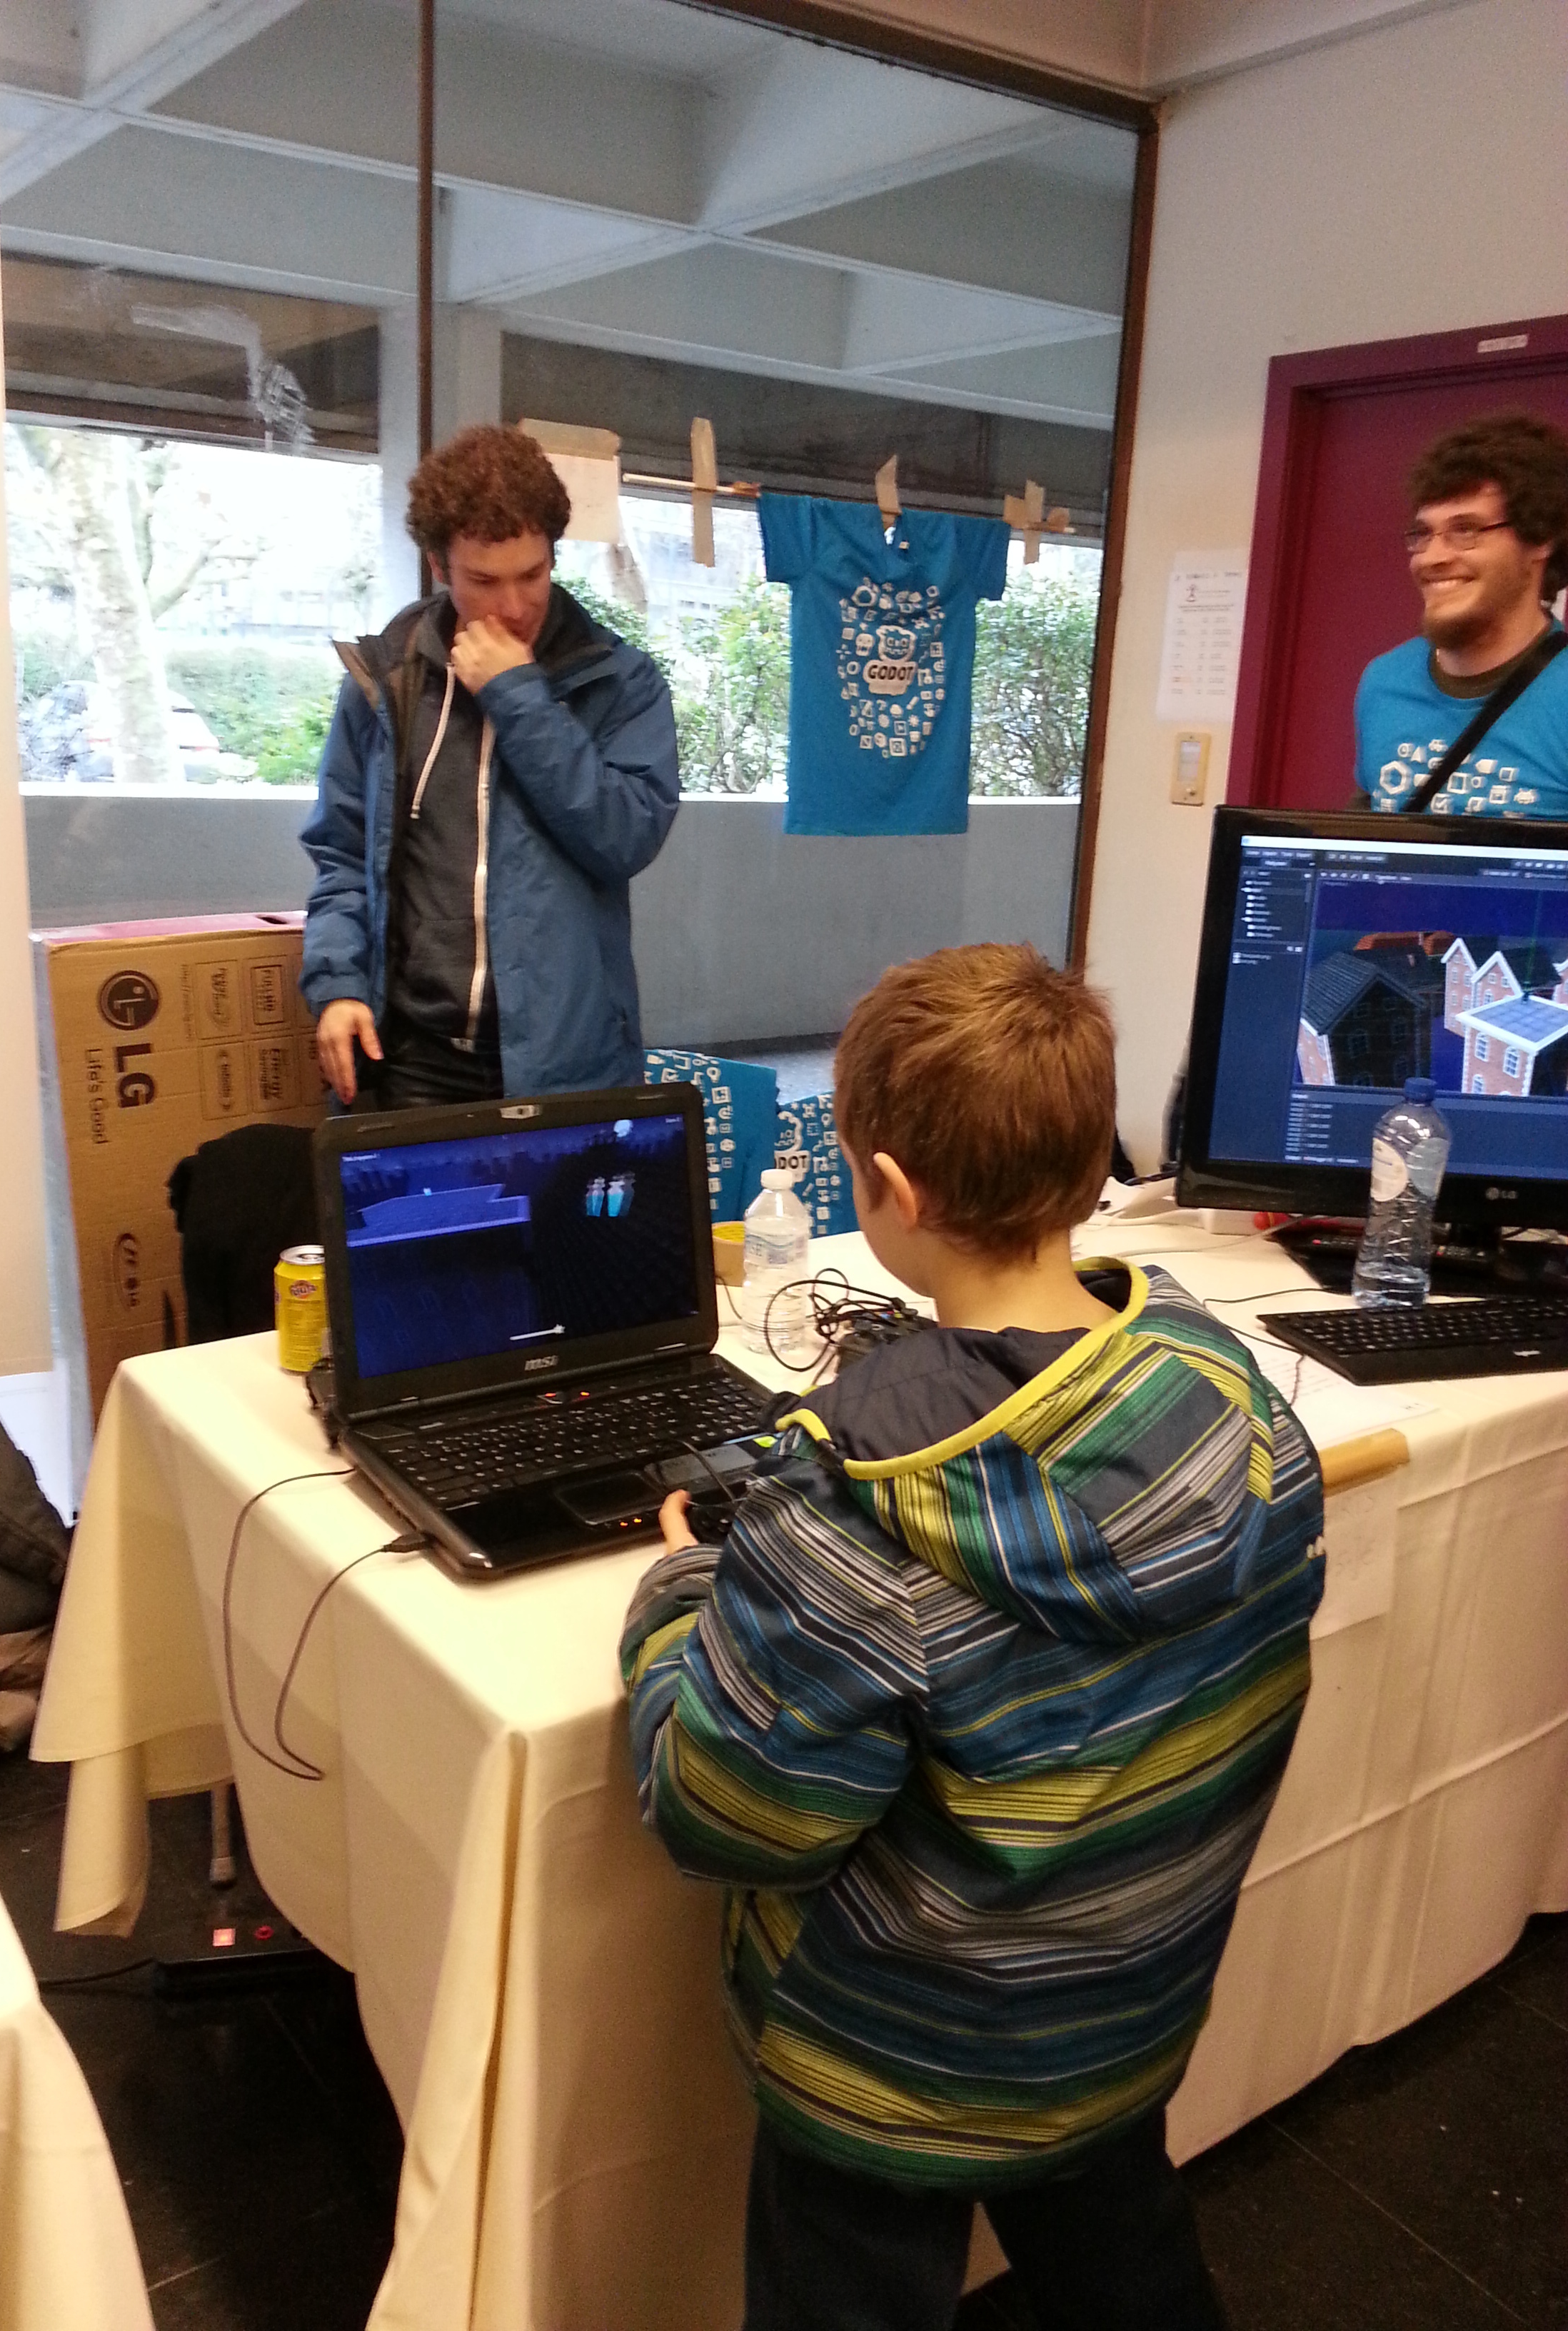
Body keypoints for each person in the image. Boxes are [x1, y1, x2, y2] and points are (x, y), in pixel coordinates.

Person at [620, 943, 1326, 2331]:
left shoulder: (856, 1513)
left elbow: (727, 1817)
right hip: (1119, 2010)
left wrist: (679, 1599)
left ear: (888, 1194)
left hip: (897, 2055)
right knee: (1122, 2252)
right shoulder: (1228, 1393)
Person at [299, 424, 679, 1108]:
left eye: (532, 575)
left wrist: (518, 696)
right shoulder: (387, 681)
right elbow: (342, 855)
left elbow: (625, 837)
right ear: (440, 567)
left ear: (554, 557)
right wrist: (338, 986)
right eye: (484, 581)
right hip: (411, 1057)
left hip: (567, 1056)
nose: (512, 606)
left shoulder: (620, 682)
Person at [1353, 411, 1568, 816]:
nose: (1432, 558)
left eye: (1466, 530)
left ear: (1540, 539)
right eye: (1423, 534)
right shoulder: (1383, 683)